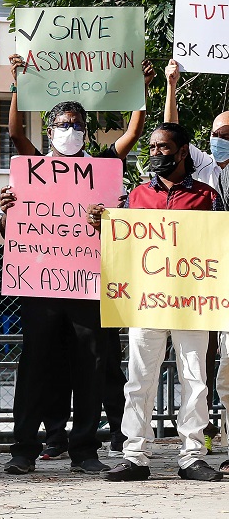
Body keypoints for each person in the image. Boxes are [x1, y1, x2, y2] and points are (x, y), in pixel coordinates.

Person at [0, 54, 153, 474]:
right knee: (35, 366)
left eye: (76, 125)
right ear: (49, 131)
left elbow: (134, 132)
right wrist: (17, 84)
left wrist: (138, 88)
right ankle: (23, 449)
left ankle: (85, 450)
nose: (70, 131)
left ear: (86, 131)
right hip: (39, 284)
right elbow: (14, 133)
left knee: (91, 366)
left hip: (88, 283)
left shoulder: (102, 168)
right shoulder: (33, 168)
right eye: (62, 125)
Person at [89, 123, 224, 482]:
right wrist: (103, 225)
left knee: (195, 377)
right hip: (147, 299)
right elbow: (125, 244)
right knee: (139, 377)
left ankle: (192, 455)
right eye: (151, 147)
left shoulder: (207, 197)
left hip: (194, 300)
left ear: (183, 152)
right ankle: (135, 455)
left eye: (164, 148)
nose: (155, 154)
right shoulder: (136, 197)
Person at [163, 59, 229, 458]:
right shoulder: (201, 168)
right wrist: (172, 85)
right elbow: (172, 133)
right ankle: (200, 436)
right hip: (199, 280)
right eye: (218, 133)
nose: (223, 139)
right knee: (196, 363)